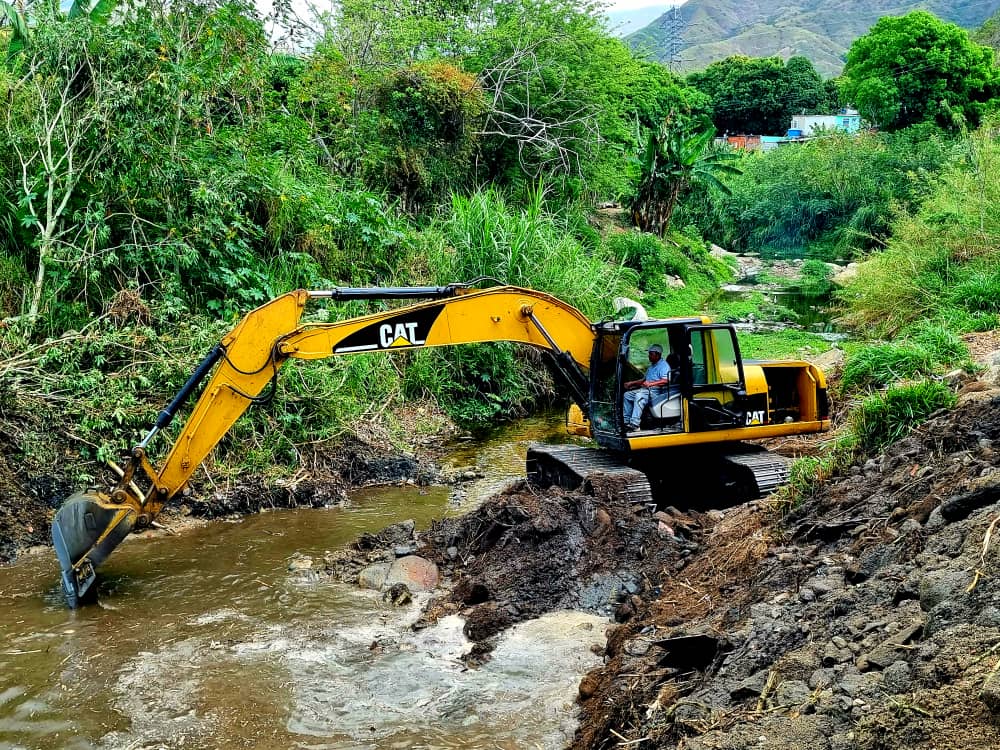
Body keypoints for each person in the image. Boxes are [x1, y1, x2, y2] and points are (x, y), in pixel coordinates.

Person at [623, 344, 672, 432]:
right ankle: (626, 422)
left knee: (639, 396)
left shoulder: (664, 366)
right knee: (627, 395)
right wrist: (631, 383)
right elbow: (644, 380)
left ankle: (635, 424)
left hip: (656, 392)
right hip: (646, 390)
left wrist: (651, 384)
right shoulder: (651, 366)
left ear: (657, 355)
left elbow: (666, 380)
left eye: (651, 354)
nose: (648, 356)